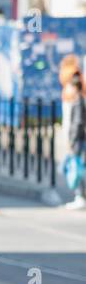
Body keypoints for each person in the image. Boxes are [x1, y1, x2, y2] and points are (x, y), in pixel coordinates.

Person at [64, 71, 86, 210]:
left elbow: (78, 122)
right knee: (77, 167)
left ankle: (80, 196)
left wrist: (71, 140)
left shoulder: (78, 101)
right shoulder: (80, 99)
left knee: (76, 168)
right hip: (79, 138)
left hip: (77, 139)